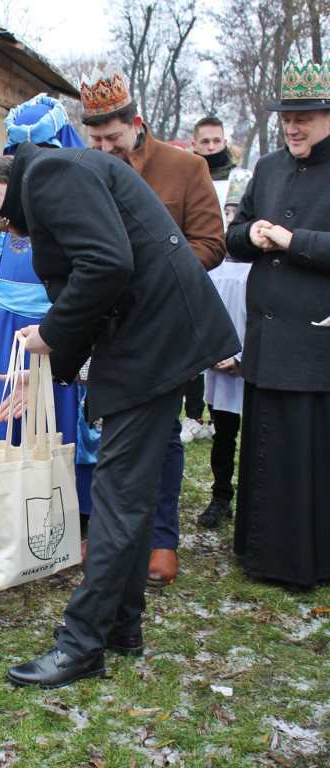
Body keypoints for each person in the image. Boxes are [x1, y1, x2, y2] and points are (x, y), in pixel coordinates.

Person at [0, 141, 239, 688]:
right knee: (130, 492)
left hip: (155, 342)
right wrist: (48, 367)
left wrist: (49, 339)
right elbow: (98, 274)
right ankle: (121, 626)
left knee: (118, 496)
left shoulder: (50, 174)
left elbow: (106, 263)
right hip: (154, 339)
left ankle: (81, 646)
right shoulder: (53, 175)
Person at [80, 68, 226, 586]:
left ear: (135, 124)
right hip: (111, 327)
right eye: (94, 139)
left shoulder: (184, 168)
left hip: (166, 327)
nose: (104, 148)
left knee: (163, 435)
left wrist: (152, 271)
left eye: (112, 138)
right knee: (108, 428)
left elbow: (212, 243)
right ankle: (109, 531)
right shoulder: (86, 169)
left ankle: (162, 539)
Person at [0, 94, 99, 544]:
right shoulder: (7, 191)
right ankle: (11, 504)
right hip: (7, 320)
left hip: (59, 321)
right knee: (11, 406)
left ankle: (69, 508)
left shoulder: (73, 188)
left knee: (64, 415)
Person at [226, 59, 330, 589]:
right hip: (265, 336)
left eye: (305, 116)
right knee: (263, 444)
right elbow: (234, 234)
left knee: (305, 450)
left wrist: (295, 242)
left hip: (314, 338)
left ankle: (303, 561)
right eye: (288, 115)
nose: (294, 125)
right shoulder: (267, 167)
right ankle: (260, 549)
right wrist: (256, 235)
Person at [182, 115, 246, 443]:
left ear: (225, 141)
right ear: (194, 145)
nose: (210, 146)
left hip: (234, 274)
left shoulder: (241, 178)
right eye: (204, 142)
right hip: (200, 272)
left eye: (216, 141)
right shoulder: (188, 175)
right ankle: (193, 414)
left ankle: (222, 422)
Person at [198, 169, 253, 528]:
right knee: (224, 433)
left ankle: (252, 500)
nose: (232, 220)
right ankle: (221, 496)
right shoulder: (214, 263)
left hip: (250, 361)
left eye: (240, 213)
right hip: (220, 361)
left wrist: (243, 357)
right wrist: (212, 352)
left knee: (256, 435)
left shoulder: (261, 265)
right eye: (228, 212)